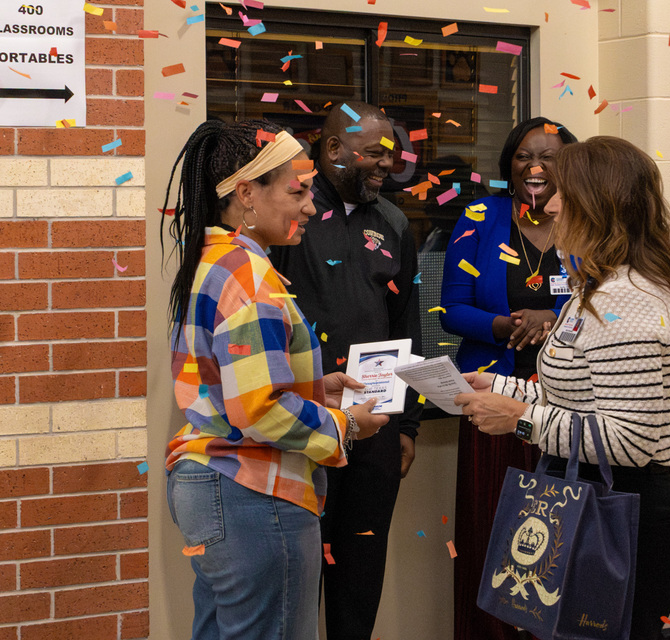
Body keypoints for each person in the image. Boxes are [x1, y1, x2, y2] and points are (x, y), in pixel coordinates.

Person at [455, 136, 670, 640]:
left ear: (595, 203)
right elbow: (577, 396)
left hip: (627, 514)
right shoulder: (599, 286)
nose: (550, 202)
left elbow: (628, 442)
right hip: (594, 500)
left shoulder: (625, 300)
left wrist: (519, 419)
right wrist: (500, 386)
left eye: (563, 191)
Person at [160, 119, 388, 640]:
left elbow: (230, 381)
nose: (311, 206)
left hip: (209, 484)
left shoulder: (212, 260)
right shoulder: (251, 277)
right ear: (246, 194)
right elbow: (260, 409)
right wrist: (344, 425)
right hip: (252, 494)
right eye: (298, 191)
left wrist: (312, 388)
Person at [268, 103, 422, 640]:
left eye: (392, 156)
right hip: (305, 424)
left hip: (376, 425)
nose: (387, 166)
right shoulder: (292, 216)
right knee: (300, 570)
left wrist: (407, 425)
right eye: (376, 155)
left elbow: (407, 326)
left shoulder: (395, 222)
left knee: (361, 571)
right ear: (333, 150)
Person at [439, 117, 577, 640]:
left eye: (550, 156)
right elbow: (450, 309)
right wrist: (507, 325)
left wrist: (554, 321)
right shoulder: (480, 215)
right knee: (491, 534)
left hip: (565, 407)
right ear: (509, 165)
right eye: (524, 156)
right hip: (493, 400)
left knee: (557, 541)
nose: (536, 166)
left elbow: (605, 305)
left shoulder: (584, 221)